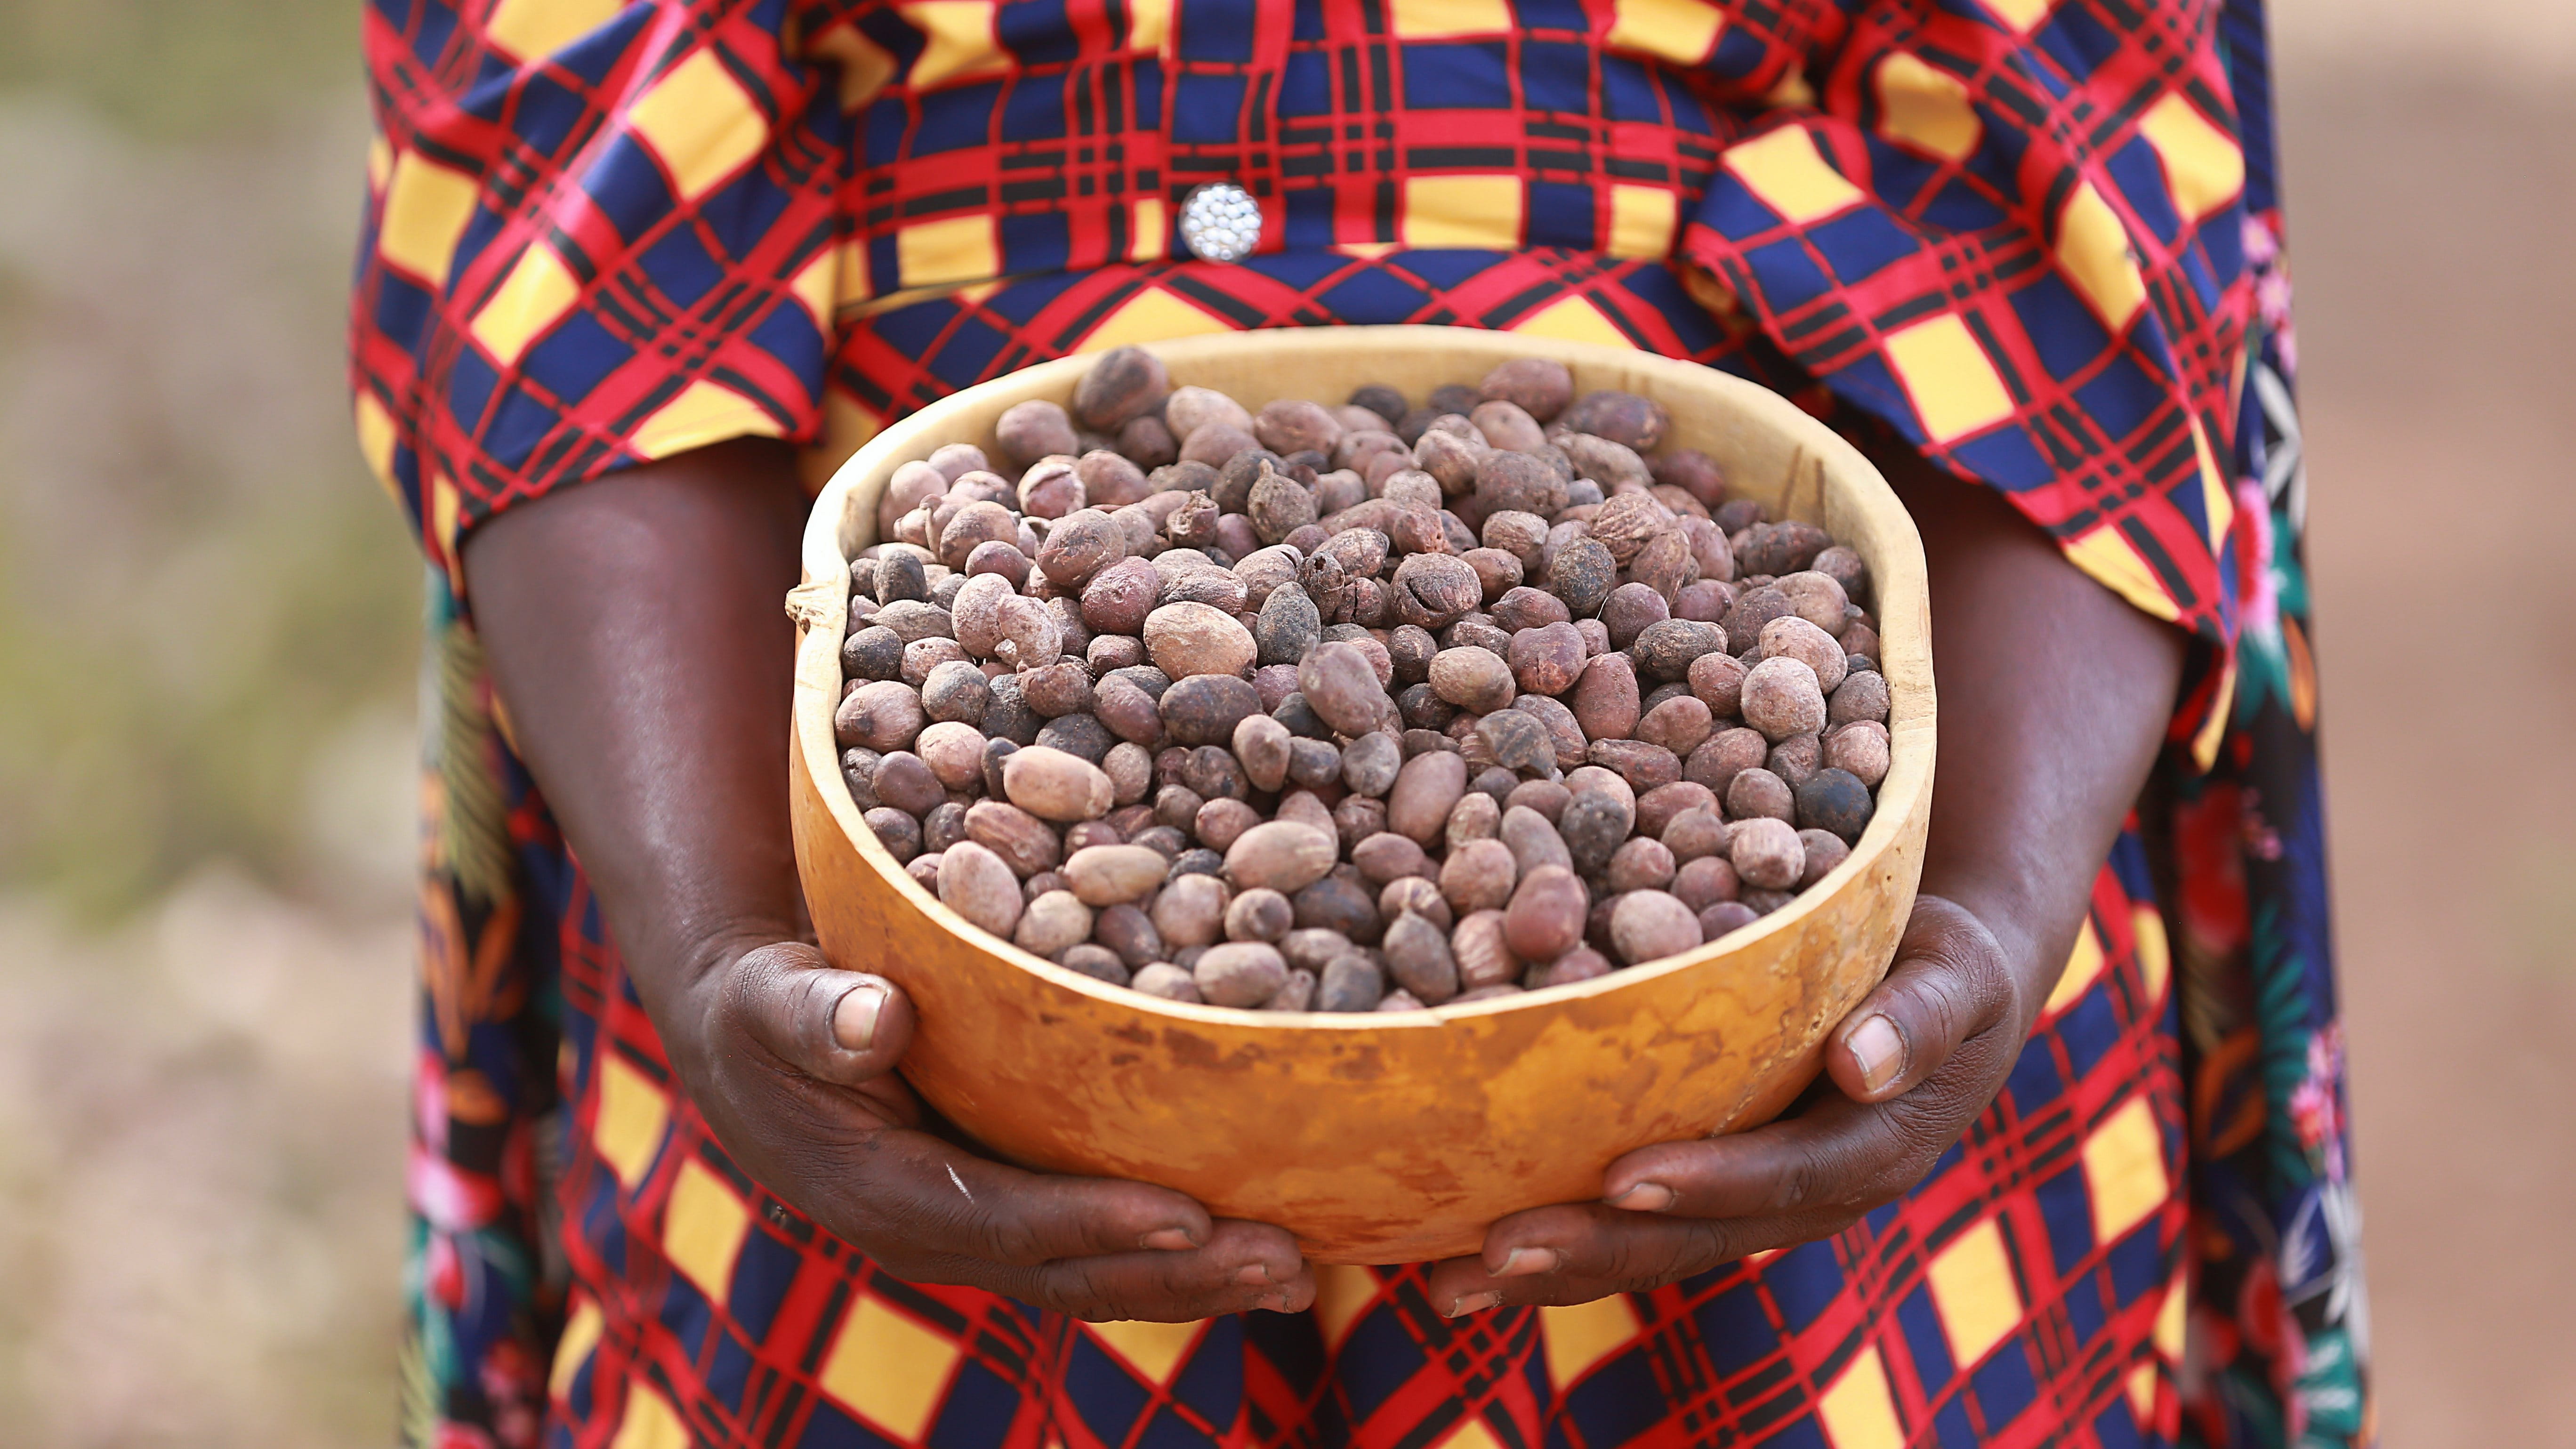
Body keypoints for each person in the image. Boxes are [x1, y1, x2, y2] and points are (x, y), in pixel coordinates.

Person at [351, 0, 2367, 1443]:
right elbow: (568, 175)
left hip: (1795, 1147)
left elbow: (2081, 156)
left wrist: (1976, 911)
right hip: (866, 971)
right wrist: (722, 918)